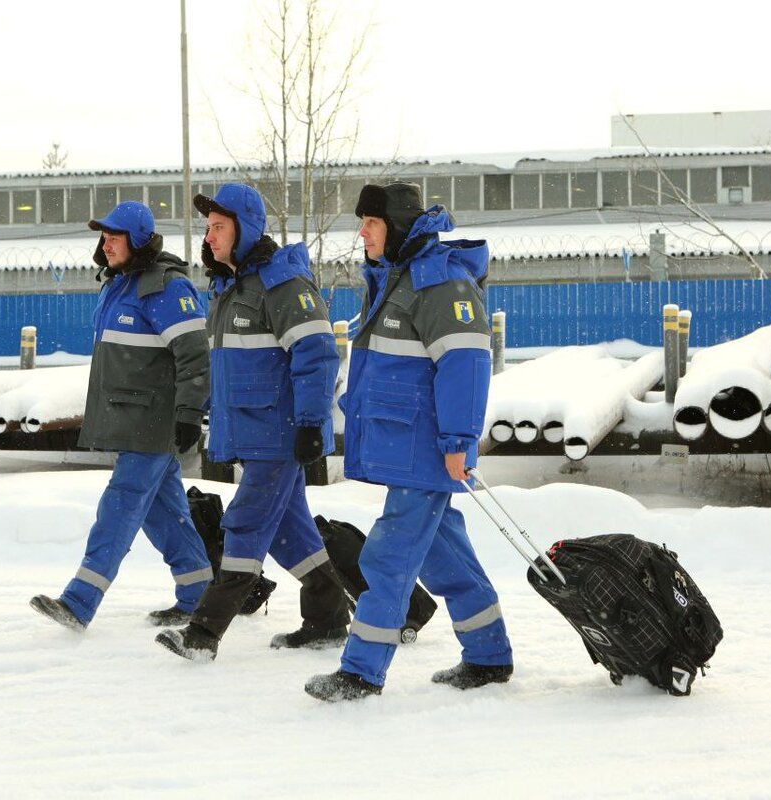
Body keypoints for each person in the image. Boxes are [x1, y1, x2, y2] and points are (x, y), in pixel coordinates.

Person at [305, 182, 513, 702]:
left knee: (387, 557)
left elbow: (466, 365)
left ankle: (361, 672)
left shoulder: (439, 282)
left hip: (427, 445)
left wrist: (458, 440)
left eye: (370, 223)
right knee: (445, 558)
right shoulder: (394, 278)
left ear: (395, 226)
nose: (361, 234)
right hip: (407, 443)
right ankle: (489, 656)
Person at [155, 183, 350, 660]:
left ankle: (203, 632)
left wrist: (308, 423)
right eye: (209, 227)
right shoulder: (230, 286)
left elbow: (317, 353)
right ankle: (328, 620)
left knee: (242, 525)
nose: (211, 235)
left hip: (281, 434)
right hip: (253, 430)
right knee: (289, 533)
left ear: (246, 230)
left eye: (220, 226)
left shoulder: (281, 284)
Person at [31, 201, 213, 631]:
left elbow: (195, 356)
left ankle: (80, 600)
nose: (106, 244)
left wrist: (190, 412)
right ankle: (199, 594)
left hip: (154, 423)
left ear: (138, 241)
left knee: (119, 505)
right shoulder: (120, 285)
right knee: (162, 512)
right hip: (134, 419)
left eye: (115, 237)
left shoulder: (166, 288)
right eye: (104, 237)